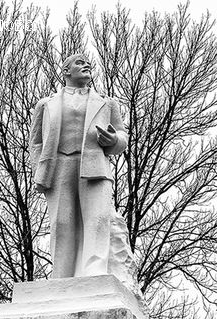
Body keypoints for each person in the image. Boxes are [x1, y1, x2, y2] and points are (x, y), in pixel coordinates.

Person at [29, 53, 134, 281]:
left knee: (97, 219)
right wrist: (39, 170)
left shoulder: (107, 103)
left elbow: (122, 136)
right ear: (66, 71)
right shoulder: (46, 105)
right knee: (61, 222)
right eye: (79, 62)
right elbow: (35, 142)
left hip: (95, 166)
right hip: (59, 167)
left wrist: (114, 141)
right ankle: (62, 276)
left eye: (88, 62)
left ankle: (94, 273)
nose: (86, 65)